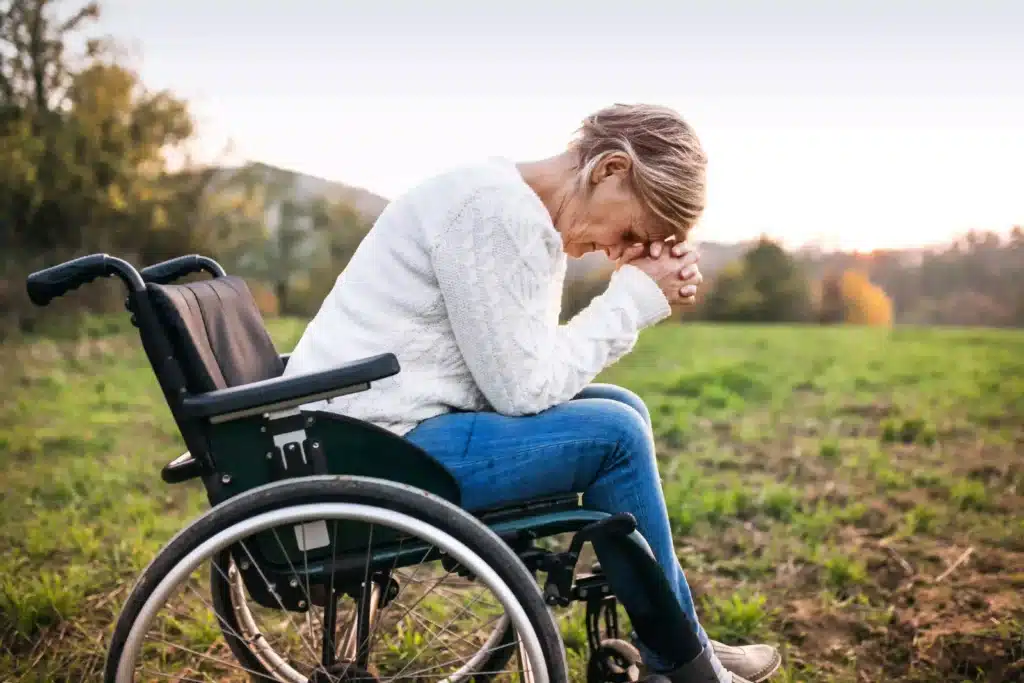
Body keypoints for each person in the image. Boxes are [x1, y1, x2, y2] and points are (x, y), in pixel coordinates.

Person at [283, 103, 781, 683]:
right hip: (368, 446)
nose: (614, 250)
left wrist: (635, 285)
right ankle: (685, 665)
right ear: (610, 169)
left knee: (623, 408)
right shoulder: (496, 215)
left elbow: (527, 367)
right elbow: (523, 390)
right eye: (628, 232)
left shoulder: (512, 208)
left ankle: (681, 643)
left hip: (372, 427)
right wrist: (633, 300)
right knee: (616, 435)